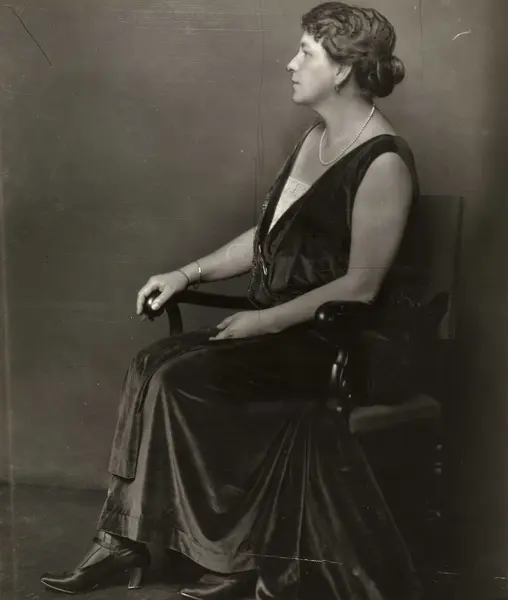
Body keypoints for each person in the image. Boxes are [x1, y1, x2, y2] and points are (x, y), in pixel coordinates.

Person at [41, 3, 427, 599]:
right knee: (150, 365)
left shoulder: (384, 161)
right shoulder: (316, 138)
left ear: (343, 70)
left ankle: (233, 557)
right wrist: (186, 272)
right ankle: (124, 544)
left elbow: (361, 285)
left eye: (306, 52)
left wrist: (263, 321)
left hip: (335, 340)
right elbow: (268, 237)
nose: (290, 63)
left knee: (181, 380)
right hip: (281, 329)